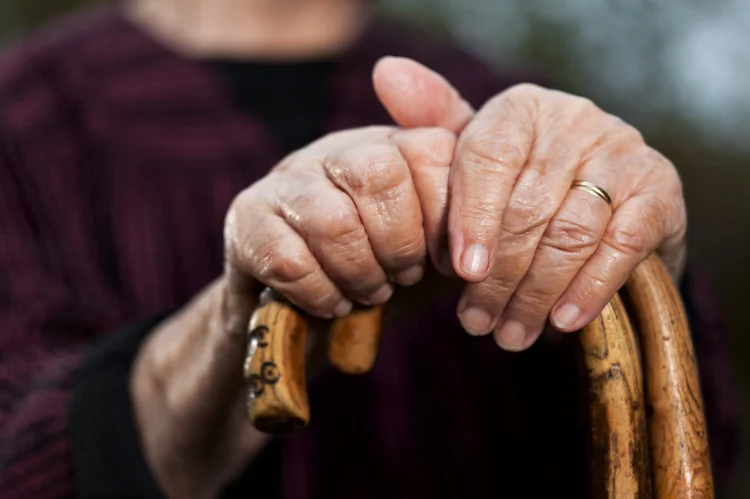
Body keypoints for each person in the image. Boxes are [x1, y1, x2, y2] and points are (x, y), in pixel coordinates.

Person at [0, 0, 738, 498]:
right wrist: (224, 337)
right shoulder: (26, 124)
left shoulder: (495, 97)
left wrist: (618, 256)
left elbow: (704, 446)